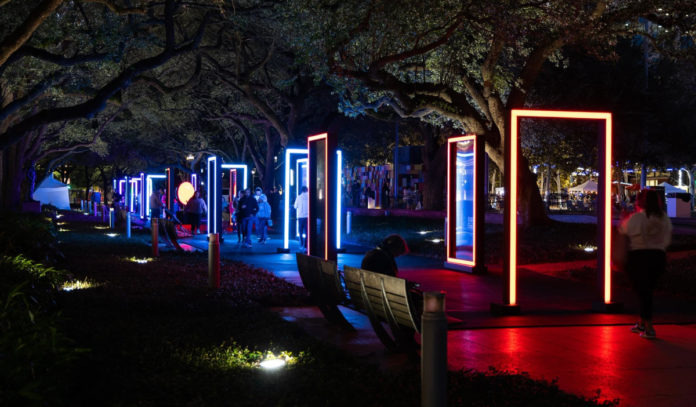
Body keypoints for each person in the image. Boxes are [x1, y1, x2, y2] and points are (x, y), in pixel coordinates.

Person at [619, 189, 672, 339]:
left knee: (643, 292)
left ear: (641, 202)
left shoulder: (636, 218)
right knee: (646, 290)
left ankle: (649, 327)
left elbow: (623, 232)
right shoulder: (664, 219)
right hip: (658, 256)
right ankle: (642, 322)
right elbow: (667, 240)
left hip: (639, 257)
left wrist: (625, 217)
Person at [294, 186, 309, 252]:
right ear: (307, 190)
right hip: (307, 217)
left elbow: (295, 206)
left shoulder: (299, 197)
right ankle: (306, 246)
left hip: (300, 217)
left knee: (300, 232)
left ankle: (301, 245)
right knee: (307, 232)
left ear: (301, 190)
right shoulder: (309, 197)